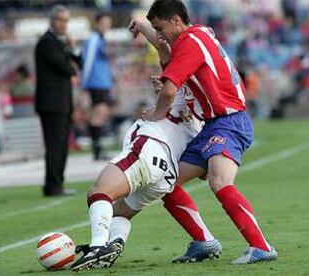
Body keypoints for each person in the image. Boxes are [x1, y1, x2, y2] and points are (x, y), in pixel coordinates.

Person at [140, 0, 277, 265]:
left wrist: (156, 115)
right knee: (164, 182)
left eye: (160, 28)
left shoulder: (189, 42)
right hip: (213, 125)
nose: (159, 35)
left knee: (219, 181)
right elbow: (180, 79)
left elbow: (170, 90)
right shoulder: (198, 36)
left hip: (230, 122)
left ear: (177, 20)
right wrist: (148, 34)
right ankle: (203, 242)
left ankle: (261, 246)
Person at [70, 76, 209, 272]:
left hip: (149, 148)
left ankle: (98, 247)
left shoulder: (184, 95)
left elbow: (172, 79)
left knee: (99, 192)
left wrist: (166, 89)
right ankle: (114, 242)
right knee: (119, 213)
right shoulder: (200, 118)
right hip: (165, 176)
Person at [35, 5, 82, 197]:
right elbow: (66, 68)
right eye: (61, 20)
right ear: (52, 21)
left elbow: (79, 62)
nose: (64, 24)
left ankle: (57, 183)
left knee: (61, 144)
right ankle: (53, 185)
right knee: (55, 145)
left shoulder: (59, 43)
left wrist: (72, 47)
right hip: (52, 103)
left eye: (66, 21)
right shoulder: (47, 42)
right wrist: (69, 60)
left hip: (61, 102)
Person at [81, 13, 113, 161]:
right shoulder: (93, 39)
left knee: (101, 114)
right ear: (97, 23)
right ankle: (97, 150)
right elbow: (87, 62)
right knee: (97, 114)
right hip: (96, 83)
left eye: (108, 23)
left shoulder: (101, 39)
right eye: (104, 23)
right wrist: (84, 84)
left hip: (103, 83)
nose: (107, 26)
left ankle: (98, 149)